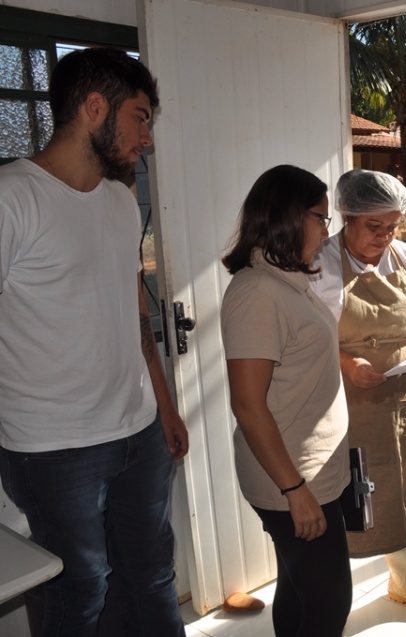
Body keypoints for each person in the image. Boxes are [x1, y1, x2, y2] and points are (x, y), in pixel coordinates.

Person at [0, 48, 189, 636]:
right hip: (53, 447)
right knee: (81, 589)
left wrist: (162, 401)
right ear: (93, 107)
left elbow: (131, 304)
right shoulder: (12, 198)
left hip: (136, 430)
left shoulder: (116, 199)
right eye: (140, 116)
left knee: (153, 572)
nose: (147, 136)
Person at [310, 169, 406, 620]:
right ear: (345, 216)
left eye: (392, 225)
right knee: (348, 492)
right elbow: (307, 336)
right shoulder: (319, 263)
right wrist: (348, 363)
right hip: (347, 399)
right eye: (374, 226)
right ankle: (325, 594)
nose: (385, 236)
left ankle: (405, 582)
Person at [221, 165, 352, 637]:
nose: (326, 230)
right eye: (322, 218)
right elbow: (248, 405)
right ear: (292, 218)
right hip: (292, 479)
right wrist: (295, 491)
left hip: (310, 471)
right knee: (328, 605)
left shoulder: (287, 283)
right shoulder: (258, 292)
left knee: (300, 593)